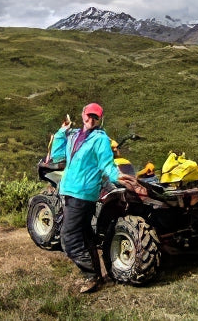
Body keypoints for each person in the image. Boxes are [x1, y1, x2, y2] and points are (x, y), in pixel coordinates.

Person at [50, 103, 136, 293]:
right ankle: (96, 276)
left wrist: (117, 176)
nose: (91, 120)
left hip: (83, 194)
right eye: (89, 116)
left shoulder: (100, 140)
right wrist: (61, 132)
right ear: (82, 115)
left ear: (100, 119)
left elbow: (106, 164)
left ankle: (90, 276)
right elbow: (56, 156)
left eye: (95, 117)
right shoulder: (73, 136)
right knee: (85, 234)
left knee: (68, 238)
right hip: (70, 191)